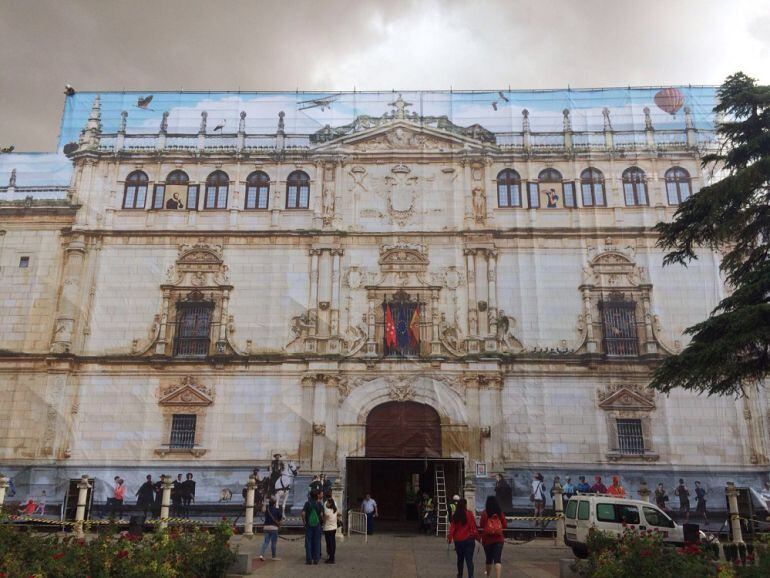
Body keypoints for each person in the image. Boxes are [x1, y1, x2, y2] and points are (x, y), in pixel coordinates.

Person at [447, 498, 478, 578]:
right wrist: (477, 537)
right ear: (465, 505)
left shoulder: (455, 516)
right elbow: (473, 526)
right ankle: (471, 576)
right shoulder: (469, 514)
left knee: (460, 559)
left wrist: (450, 538)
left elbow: (452, 528)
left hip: (458, 541)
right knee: (469, 560)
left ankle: (460, 575)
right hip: (469, 540)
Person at [479, 495, 507, 578]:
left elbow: (481, 525)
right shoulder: (500, 513)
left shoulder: (484, 513)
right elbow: (505, 525)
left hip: (487, 540)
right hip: (499, 539)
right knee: (497, 560)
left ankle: (488, 576)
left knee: (488, 559)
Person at [301, 491, 324, 565]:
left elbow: (303, 513)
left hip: (309, 525)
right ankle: (316, 559)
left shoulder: (307, 503)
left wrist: (304, 522)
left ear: (310, 496)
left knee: (308, 542)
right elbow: (321, 515)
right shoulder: (319, 504)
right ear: (316, 496)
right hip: (317, 525)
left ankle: (309, 559)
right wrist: (321, 522)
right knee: (317, 541)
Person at [259, 497, 282, 562]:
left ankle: (261, 555)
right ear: (275, 503)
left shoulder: (267, 509)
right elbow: (280, 518)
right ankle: (273, 556)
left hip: (266, 527)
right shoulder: (277, 510)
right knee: (273, 543)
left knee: (266, 542)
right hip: (274, 528)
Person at [323, 497, 339, 564]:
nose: (326, 504)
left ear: (330, 503)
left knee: (329, 544)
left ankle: (331, 558)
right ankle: (332, 557)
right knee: (333, 543)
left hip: (328, 529)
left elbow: (324, 521)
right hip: (334, 528)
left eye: (328, 503)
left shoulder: (327, 511)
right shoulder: (335, 510)